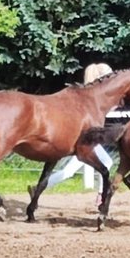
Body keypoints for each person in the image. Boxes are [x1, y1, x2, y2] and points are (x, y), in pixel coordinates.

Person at [42, 63, 116, 207]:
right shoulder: (94, 98)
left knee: (68, 171)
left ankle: (39, 187)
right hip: (85, 140)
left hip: (80, 138)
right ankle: (101, 196)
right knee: (106, 163)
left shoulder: (87, 94)